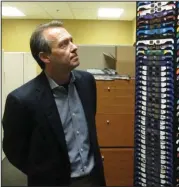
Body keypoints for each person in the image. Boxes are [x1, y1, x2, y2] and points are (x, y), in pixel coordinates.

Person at [2, 20, 106, 187]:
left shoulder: (87, 82)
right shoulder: (21, 100)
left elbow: (89, 126)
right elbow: (14, 150)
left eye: (71, 40)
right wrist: (43, 173)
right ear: (45, 57)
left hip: (93, 178)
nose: (74, 47)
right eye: (64, 44)